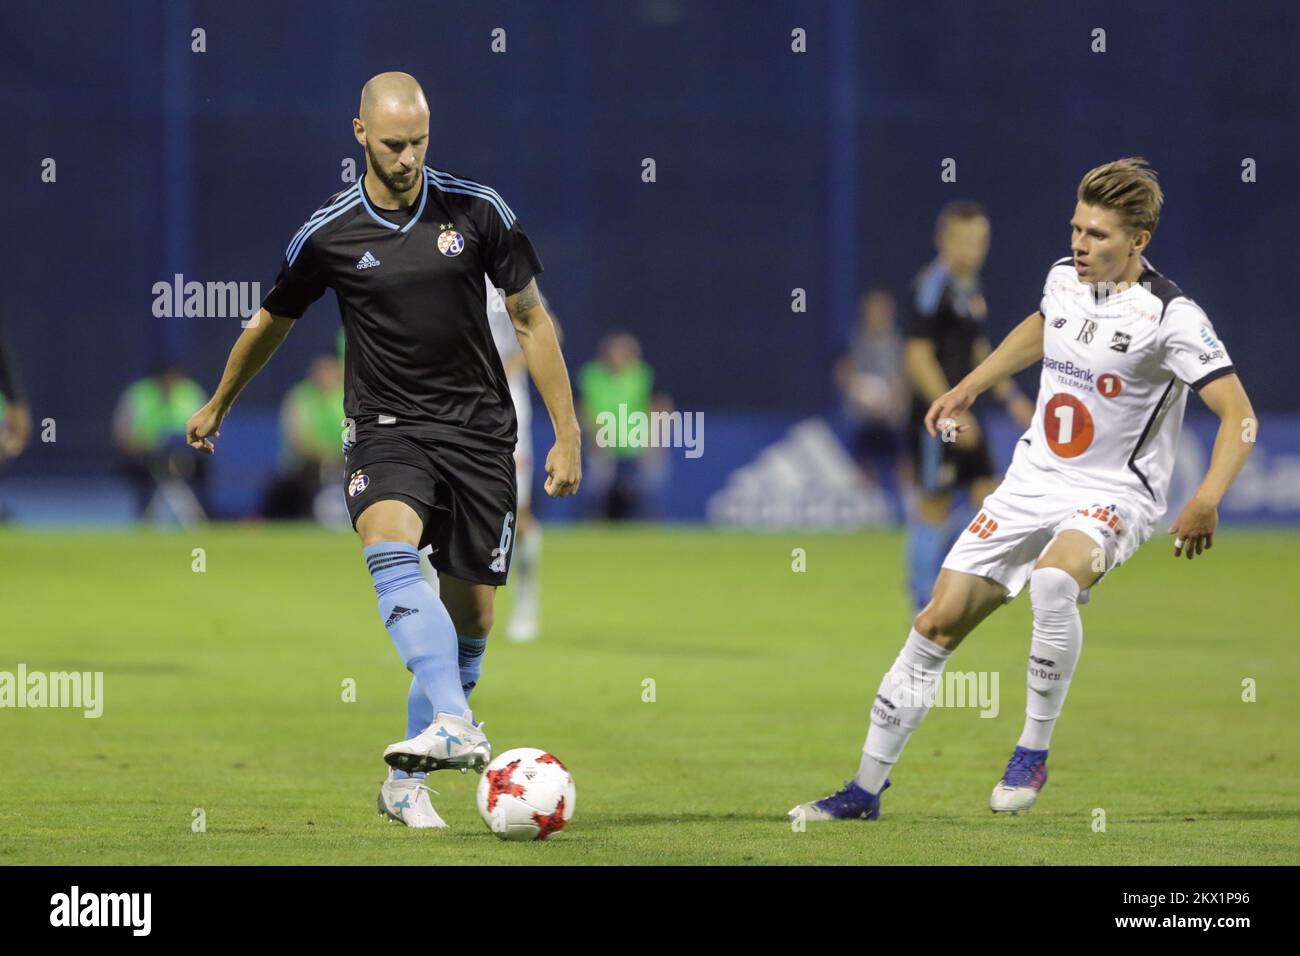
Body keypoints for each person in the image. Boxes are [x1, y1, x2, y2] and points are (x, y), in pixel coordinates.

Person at [792, 158, 1256, 821]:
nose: (1080, 244)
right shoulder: (1064, 280)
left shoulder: (1171, 317)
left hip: (1113, 493)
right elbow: (1043, 327)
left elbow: (1240, 416)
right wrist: (970, 385)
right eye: (1076, 228)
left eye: (1098, 235)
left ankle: (1032, 748)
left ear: (1139, 240)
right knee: (933, 624)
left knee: (1054, 581)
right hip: (1032, 481)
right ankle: (863, 792)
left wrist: (1208, 496)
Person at [185, 72, 582, 829]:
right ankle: (457, 724)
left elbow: (533, 320)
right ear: (360, 133)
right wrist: (220, 400)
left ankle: (407, 783)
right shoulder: (328, 233)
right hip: (385, 430)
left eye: (419, 142)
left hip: (481, 437)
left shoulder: (478, 210)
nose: (407, 158)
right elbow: (271, 323)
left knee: (472, 622)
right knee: (390, 544)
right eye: (394, 143)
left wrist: (565, 433)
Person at [903, 202, 1035, 610]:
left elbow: (978, 349)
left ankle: (963, 585)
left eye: (979, 241)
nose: (972, 249)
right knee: (935, 505)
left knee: (988, 497)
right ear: (942, 240)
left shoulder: (968, 287)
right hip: (934, 418)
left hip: (963, 413)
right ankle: (923, 600)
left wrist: (1010, 396)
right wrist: (950, 411)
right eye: (963, 241)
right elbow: (917, 357)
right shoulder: (932, 287)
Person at [835, 289, 908, 505]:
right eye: (873, 309)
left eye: (882, 309)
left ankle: (910, 507)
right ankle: (870, 507)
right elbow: (843, 373)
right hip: (863, 416)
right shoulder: (854, 340)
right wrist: (860, 393)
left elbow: (905, 375)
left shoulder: (896, 342)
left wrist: (894, 402)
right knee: (862, 462)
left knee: (903, 461)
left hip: (892, 416)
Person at [577, 332, 661, 520]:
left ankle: (648, 522)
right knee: (596, 485)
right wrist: (591, 435)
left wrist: (654, 441)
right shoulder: (591, 375)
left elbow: (658, 405)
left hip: (635, 442)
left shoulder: (642, 374)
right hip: (601, 442)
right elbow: (582, 408)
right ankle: (591, 521)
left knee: (649, 482)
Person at [113, 363, 209, 519]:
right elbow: (123, 437)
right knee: (162, 468)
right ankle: (178, 517)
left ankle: (192, 517)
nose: (169, 382)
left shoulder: (191, 393)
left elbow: (209, 433)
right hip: (145, 460)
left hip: (187, 457)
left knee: (182, 465)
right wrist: (150, 447)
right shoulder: (138, 394)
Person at [262, 355, 346, 519]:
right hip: (307, 464)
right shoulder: (301, 397)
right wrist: (325, 457)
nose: (326, 376)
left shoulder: (346, 396)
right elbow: (298, 439)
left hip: (345, 459)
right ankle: (308, 516)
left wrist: (339, 456)